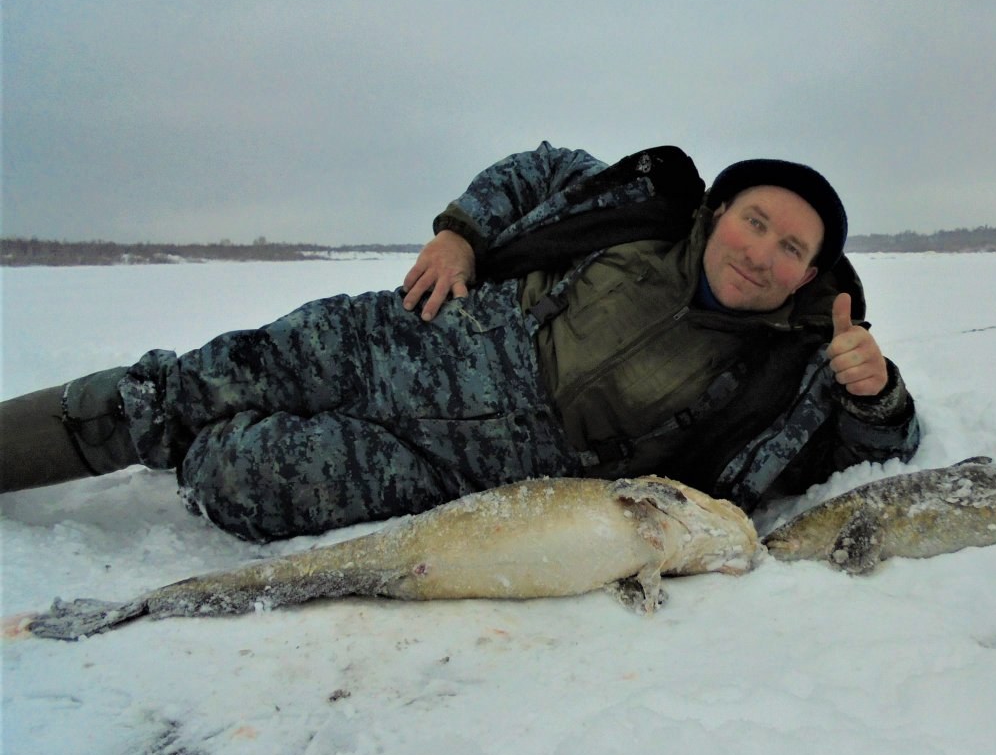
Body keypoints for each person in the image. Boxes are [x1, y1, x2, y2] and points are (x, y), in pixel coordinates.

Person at [0, 143, 919, 541]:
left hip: (478, 470)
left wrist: (876, 395)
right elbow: (535, 168)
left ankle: (195, 457)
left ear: (810, 273)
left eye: (791, 248)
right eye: (756, 221)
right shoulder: (642, 205)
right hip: (423, 336)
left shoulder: (798, 368)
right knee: (186, 389)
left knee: (237, 479)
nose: (761, 253)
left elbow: (871, 452)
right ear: (720, 212)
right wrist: (460, 236)